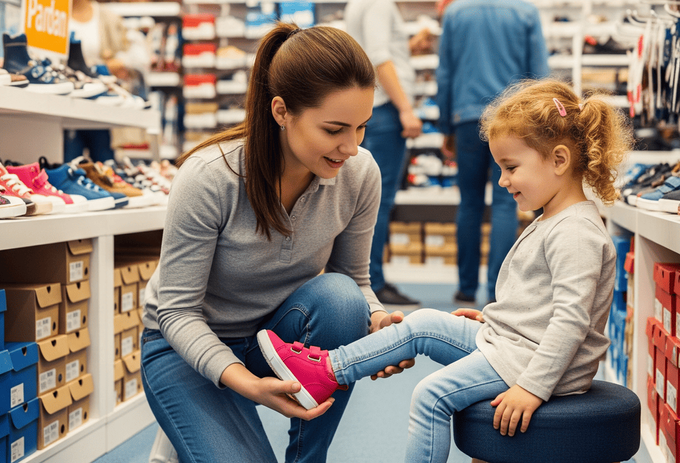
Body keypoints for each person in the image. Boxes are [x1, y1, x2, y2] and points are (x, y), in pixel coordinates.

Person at [258, 79, 634, 463]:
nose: (502, 181)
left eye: (510, 167)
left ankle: (327, 373)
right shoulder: (554, 220)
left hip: (535, 365)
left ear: (558, 160)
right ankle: (326, 371)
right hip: (513, 346)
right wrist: (495, 319)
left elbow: (571, 321)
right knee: (423, 325)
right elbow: (541, 302)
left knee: (430, 396)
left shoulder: (574, 233)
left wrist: (533, 388)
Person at [139, 22, 414, 463]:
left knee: (343, 300)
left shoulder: (360, 173)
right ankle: (198, 414)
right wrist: (246, 385)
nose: (351, 147)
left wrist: (378, 323)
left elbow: (354, 280)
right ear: (282, 111)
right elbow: (176, 311)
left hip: (274, 338)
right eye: (334, 129)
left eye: (361, 127)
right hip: (186, 346)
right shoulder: (210, 177)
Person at [436, 0, 551, 305]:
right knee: (505, 203)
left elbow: (444, 72)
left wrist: (446, 125)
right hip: (513, 121)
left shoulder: (455, 12)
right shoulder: (524, 11)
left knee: (469, 204)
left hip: (466, 118)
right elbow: (539, 75)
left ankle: (466, 288)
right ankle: (498, 291)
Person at [345, 0, 423, 309]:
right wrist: (406, 109)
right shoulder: (378, 4)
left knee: (364, 197)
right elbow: (379, 57)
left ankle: (365, 277)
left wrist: (409, 47)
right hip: (385, 111)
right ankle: (372, 281)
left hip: (374, 109)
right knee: (377, 200)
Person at [66, 0, 150, 163]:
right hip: (66, 98)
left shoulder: (108, 18)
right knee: (68, 158)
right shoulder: (53, 13)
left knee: (104, 159)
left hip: (100, 100)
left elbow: (128, 57)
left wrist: (117, 64)